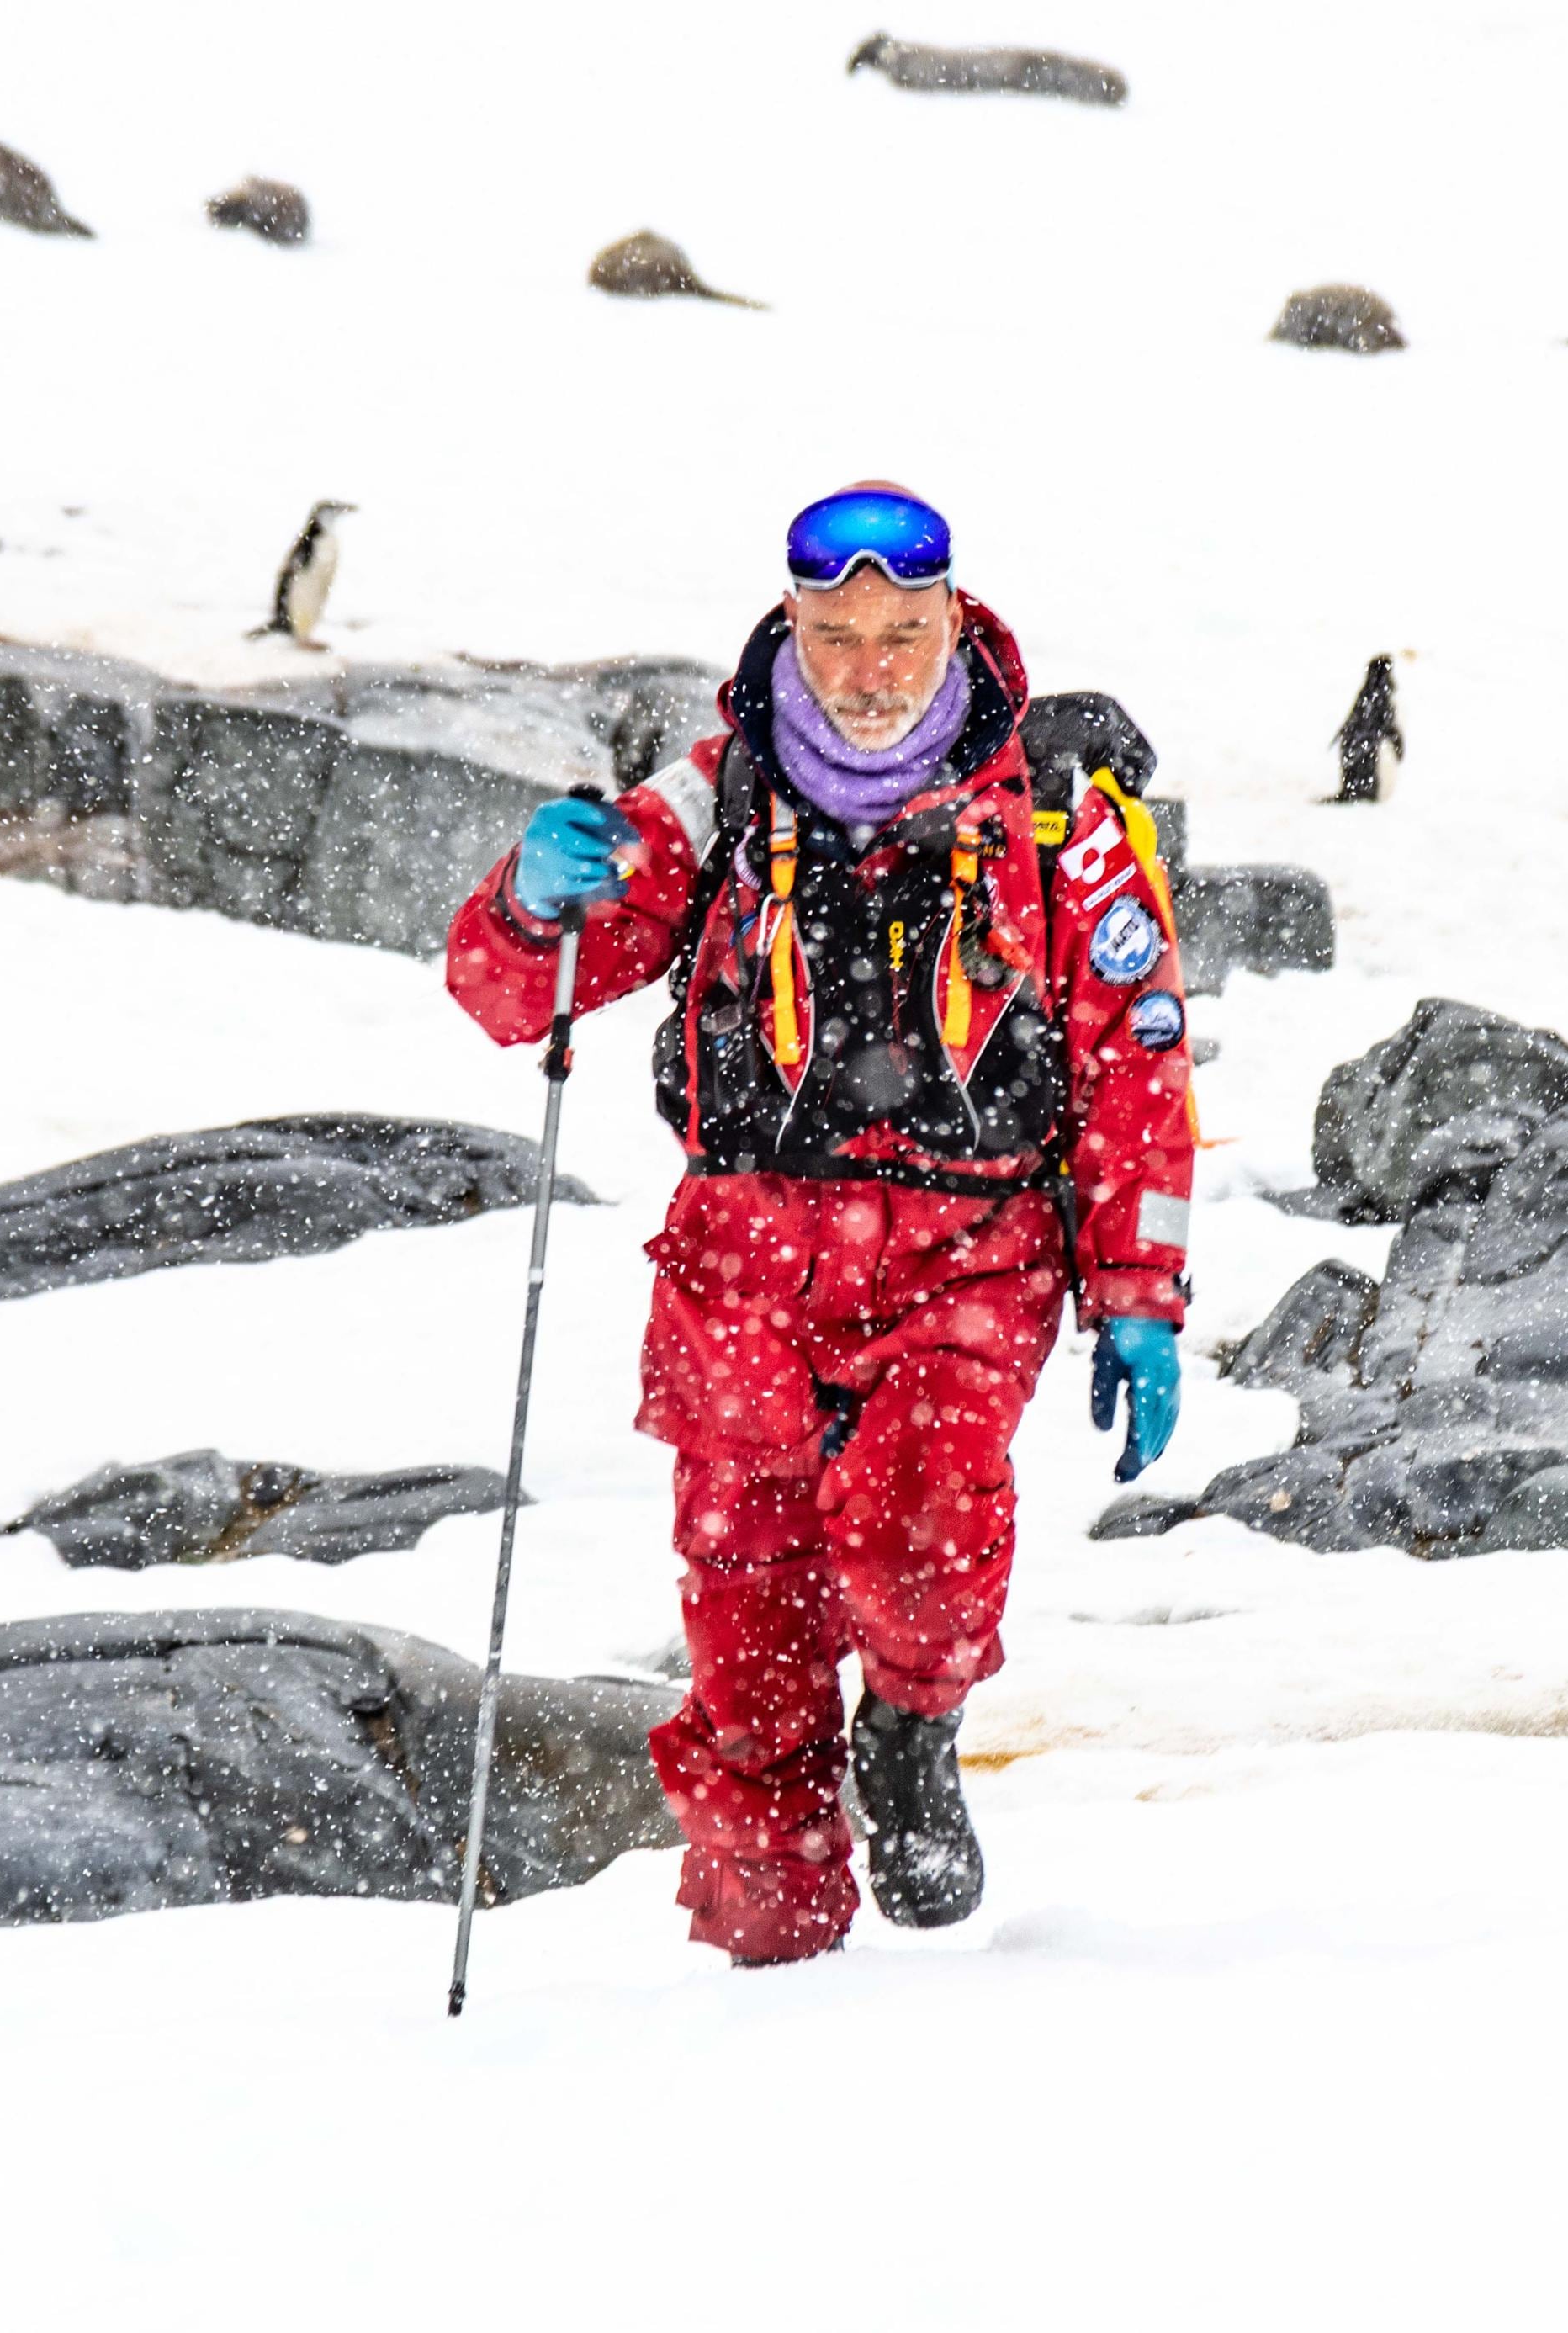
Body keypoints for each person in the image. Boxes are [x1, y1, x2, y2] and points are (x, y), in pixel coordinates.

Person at [443, 485, 1195, 1965]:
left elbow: (1133, 1062)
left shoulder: (1058, 818)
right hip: (740, 1267)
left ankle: (914, 1731)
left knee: (923, 1526)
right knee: (750, 1660)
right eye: (838, 633)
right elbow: (507, 996)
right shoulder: (712, 792)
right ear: (793, 619)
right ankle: (763, 1967)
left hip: (968, 1255)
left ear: (953, 619)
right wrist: (533, 903)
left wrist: (1141, 1292)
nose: (870, 670)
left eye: (904, 633)